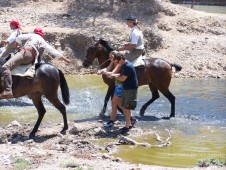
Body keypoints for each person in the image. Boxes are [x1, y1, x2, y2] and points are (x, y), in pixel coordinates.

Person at [0, 28, 70, 99]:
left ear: (34, 32)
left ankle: (8, 90)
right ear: (42, 35)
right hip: (32, 58)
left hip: (25, 53)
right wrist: (65, 59)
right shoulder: (43, 41)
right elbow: (53, 51)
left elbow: (18, 37)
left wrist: (18, 44)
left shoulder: (32, 35)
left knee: (6, 67)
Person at [109, 53, 138, 134]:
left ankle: (127, 126)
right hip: (126, 88)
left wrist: (113, 75)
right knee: (123, 106)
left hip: (130, 89)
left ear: (121, 59)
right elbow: (122, 75)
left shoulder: (128, 66)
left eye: (117, 62)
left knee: (126, 107)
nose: (117, 64)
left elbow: (122, 78)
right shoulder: (125, 65)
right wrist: (114, 74)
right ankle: (129, 123)